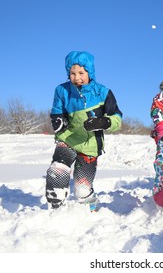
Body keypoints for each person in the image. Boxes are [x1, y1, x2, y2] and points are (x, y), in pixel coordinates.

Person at [46, 51, 122, 210]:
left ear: (90, 72)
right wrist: (58, 120)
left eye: (81, 72)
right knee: (58, 169)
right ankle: (55, 206)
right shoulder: (62, 90)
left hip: (90, 146)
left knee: (82, 188)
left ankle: (90, 209)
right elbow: (56, 110)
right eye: (72, 73)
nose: (76, 77)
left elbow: (117, 117)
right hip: (68, 139)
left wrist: (104, 121)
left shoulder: (103, 92)